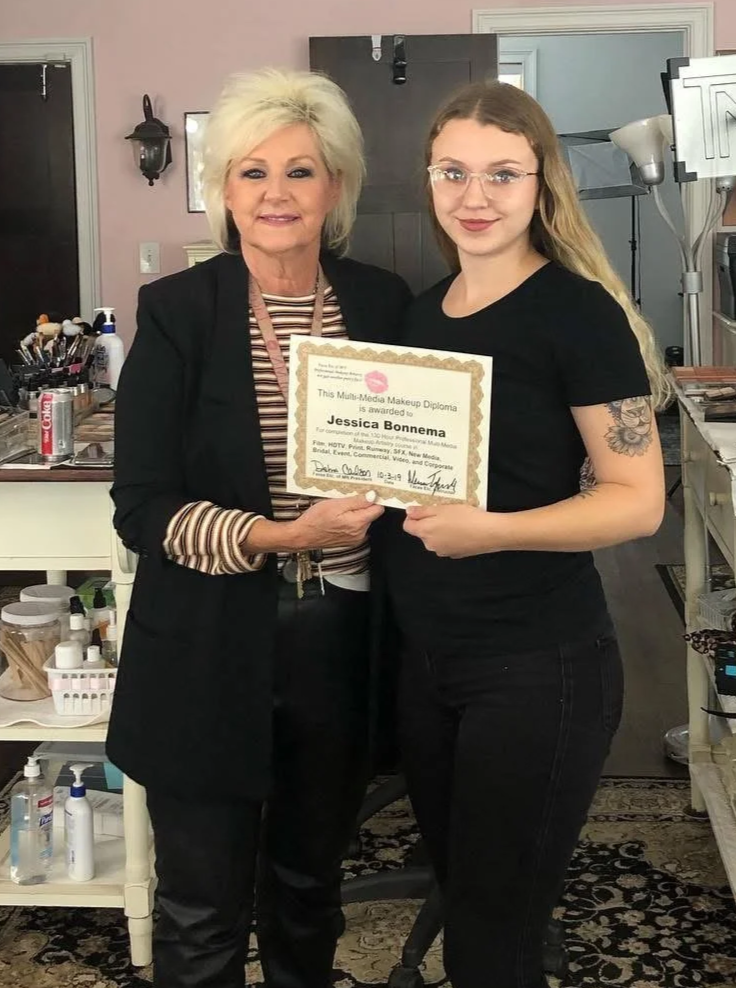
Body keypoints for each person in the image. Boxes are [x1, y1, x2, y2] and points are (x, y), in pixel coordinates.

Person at [107, 67, 411, 988]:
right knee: (200, 910)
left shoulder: (384, 304)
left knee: (308, 890)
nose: (276, 194)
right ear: (221, 192)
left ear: (338, 189)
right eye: (252, 173)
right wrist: (282, 535)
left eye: (301, 171)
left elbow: (422, 456)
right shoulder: (177, 314)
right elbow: (144, 508)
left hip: (340, 638)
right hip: (205, 641)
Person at [383, 81, 667, 988]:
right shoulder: (419, 316)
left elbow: (637, 501)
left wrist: (491, 531)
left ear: (540, 183)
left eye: (502, 175)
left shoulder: (577, 315)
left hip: (537, 662)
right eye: (454, 172)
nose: (476, 196)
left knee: (492, 937)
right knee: (469, 892)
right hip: (427, 659)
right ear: (429, 181)